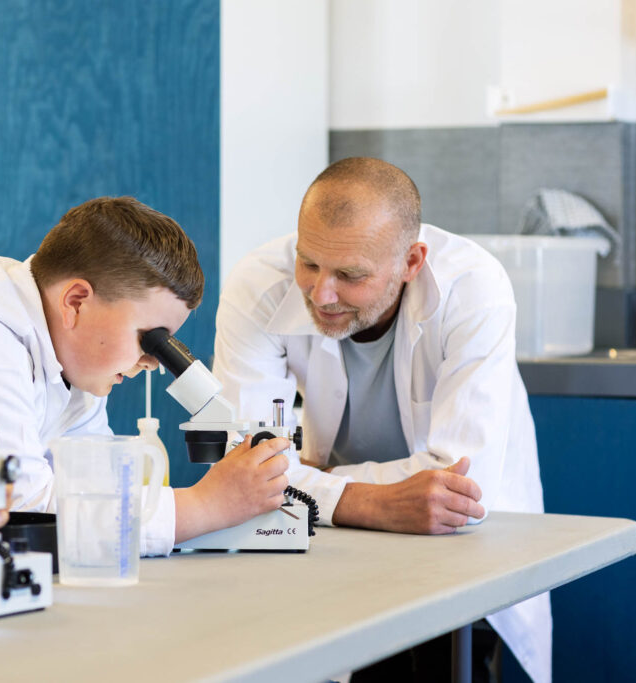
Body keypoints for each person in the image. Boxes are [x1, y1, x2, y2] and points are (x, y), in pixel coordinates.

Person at [212, 158, 550, 683]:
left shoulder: (472, 288)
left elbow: (459, 489)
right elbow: (243, 470)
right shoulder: (259, 283)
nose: (321, 294)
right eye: (308, 263)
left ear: (411, 261)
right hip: (331, 542)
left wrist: (308, 479)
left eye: (350, 276)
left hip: (456, 548)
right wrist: (369, 502)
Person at [0, 196, 291, 556]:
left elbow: (98, 493)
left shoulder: (70, 367)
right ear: (76, 302)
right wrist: (207, 506)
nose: (153, 362)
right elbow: (24, 511)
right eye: (150, 339)